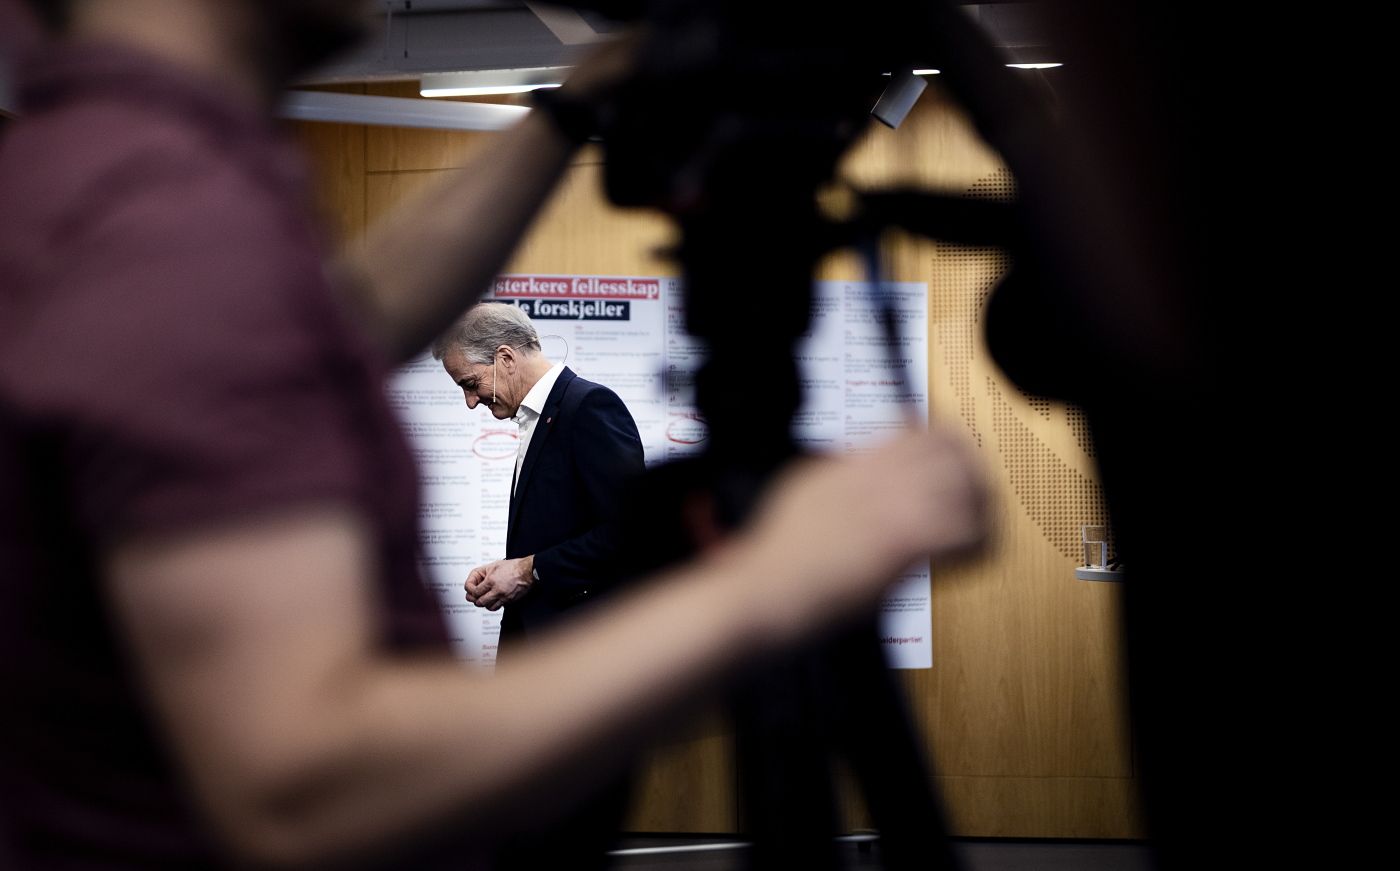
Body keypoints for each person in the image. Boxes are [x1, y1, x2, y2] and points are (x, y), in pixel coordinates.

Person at [0, 0, 988, 867]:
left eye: (473, 384)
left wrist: (569, 108)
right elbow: (304, 786)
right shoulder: (168, 222)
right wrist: (774, 580)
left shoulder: (96, 173)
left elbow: (342, 320)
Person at [434, 303, 644, 645]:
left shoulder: (588, 406)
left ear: (505, 358)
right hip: (536, 640)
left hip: (576, 646)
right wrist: (511, 568)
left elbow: (632, 530)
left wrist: (528, 570)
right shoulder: (539, 414)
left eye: (471, 384)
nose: (470, 402)